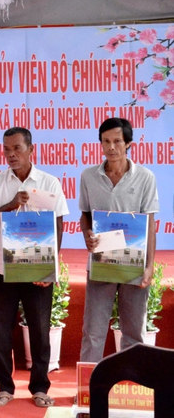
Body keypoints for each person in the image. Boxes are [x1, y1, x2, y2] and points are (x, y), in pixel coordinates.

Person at [0, 127, 68, 409]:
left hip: (37, 270)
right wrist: (10, 204)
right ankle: (5, 388)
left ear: (31, 150)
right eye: (6, 149)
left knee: (40, 330)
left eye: (17, 148)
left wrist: (48, 268)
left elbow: (59, 224)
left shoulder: (50, 182)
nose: (11, 154)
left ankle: (40, 387)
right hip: (2, 269)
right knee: (2, 331)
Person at [79, 118, 158, 362]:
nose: (111, 147)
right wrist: (87, 235)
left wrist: (150, 266)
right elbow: (85, 215)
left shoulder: (145, 177)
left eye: (117, 141)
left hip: (133, 264)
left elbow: (149, 224)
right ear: (100, 143)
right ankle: (88, 386)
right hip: (101, 263)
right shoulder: (88, 176)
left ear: (128, 144)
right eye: (106, 141)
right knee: (93, 331)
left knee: (133, 332)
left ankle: (132, 384)